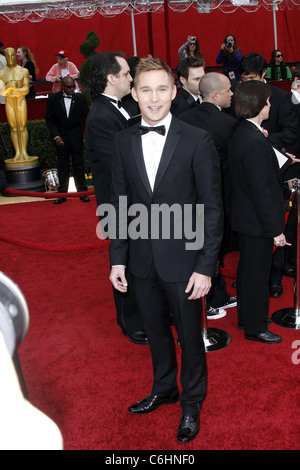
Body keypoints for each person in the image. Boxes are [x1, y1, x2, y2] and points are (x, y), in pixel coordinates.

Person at [109, 55, 223, 443]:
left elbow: (212, 208)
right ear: (134, 94)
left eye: (162, 89)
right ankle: (164, 388)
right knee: (156, 333)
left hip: (186, 262)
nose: (154, 98)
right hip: (141, 262)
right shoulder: (123, 140)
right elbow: (119, 204)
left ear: (174, 92)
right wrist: (117, 260)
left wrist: (206, 267)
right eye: (145, 90)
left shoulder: (197, 139)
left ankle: (192, 403)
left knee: (190, 339)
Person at [85, 51, 148, 346]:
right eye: (125, 74)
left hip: (132, 200)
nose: (130, 78)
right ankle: (130, 321)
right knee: (123, 261)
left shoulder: (117, 108)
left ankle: (145, 313)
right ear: (111, 78)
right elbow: (117, 164)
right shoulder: (100, 115)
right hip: (118, 203)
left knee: (139, 259)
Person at [228, 80, 286, 343]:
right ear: (258, 105)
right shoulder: (251, 139)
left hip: (247, 218)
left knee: (248, 271)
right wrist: (276, 229)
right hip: (257, 221)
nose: (270, 105)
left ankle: (247, 318)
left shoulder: (244, 132)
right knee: (256, 275)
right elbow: (261, 191)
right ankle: (256, 326)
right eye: (268, 101)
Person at [179, 72, 239, 319]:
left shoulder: (181, 119)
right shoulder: (228, 124)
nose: (232, 94)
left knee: (195, 249)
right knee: (213, 248)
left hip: (185, 198)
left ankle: (215, 297)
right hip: (217, 199)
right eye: (228, 91)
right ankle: (210, 301)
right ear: (215, 94)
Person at [239, 52, 299, 297]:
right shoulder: (240, 95)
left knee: (280, 225)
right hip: (251, 173)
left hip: (283, 169)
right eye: (244, 78)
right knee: (255, 227)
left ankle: (275, 276)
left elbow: (292, 132)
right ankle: (253, 275)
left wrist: (264, 142)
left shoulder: (282, 98)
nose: (247, 82)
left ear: (264, 74)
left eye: (252, 77)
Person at [45, 76, 90, 204]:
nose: (71, 89)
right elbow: (49, 119)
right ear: (62, 86)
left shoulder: (80, 98)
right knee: (63, 166)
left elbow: (85, 118)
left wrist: (88, 136)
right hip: (60, 138)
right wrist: (56, 136)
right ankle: (62, 194)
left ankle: (83, 192)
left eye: (73, 86)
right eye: (69, 87)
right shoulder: (53, 99)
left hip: (76, 138)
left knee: (79, 166)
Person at [0, 47, 36, 163]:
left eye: (12, 55)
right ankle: (17, 153)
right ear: (5, 57)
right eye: (8, 56)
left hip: (21, 101)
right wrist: (11, 85)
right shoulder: (1, 73)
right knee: (14, 127)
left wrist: (13, 90)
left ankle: (24, 152)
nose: (10, 58)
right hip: (9, 102)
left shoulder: (23, 71)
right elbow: (1, 91)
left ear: (15, 56)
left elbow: (26, 89)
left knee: (22, 125)